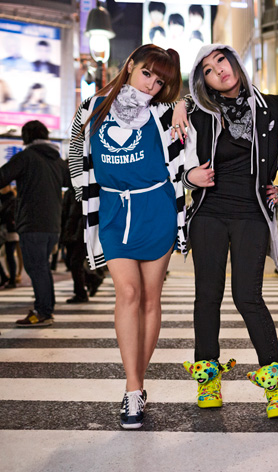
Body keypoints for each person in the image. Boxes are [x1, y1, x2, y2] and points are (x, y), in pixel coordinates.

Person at [170, 44, 278, 418]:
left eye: (221, 61)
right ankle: (208, 378)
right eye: (208, 70)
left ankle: (276, 383)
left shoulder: (275, 107)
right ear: (203, 82)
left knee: (248, 297)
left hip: (252, 214)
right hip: (208, 214)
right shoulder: (197, 112)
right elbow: (169, 159)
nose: (218, 71)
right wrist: (189, 177)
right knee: (207, 297)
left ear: (234, 62)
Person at [69, 44, 186, 429]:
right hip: (113, 210)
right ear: (131, 65)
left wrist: (182, 102)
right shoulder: (92, 107)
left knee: (151, 298)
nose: (152, 84)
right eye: (147, 73)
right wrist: (83, 196)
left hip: (156, 208)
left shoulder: (163, 111)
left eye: (160, 81)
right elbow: (75, 152)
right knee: (128, 293)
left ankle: (134, 386)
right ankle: (134, 386)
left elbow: (199, 116)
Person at [0, 120, 69, 326]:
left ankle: (43, 312)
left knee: (37, 268)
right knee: (42, 268)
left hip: (32, 223)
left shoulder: (26, 157)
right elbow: (69, 181)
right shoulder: (57, 160)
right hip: (52, 225)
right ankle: (45, 309)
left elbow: (2, 177)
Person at [60, 188, 104, 303]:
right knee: (72, 262)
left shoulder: (84, 191)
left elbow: (78, 214)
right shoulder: (71, 191)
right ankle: (93, 280)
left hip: (80, 233)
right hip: (72, 232)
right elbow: (66, 213)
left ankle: (81, 292)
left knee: (75, 262)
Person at [0, 185, 18, 288]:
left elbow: (10, 214)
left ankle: (12, 279)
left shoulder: (12, 199)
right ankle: (4, 277)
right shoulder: (2, 200)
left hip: (11, 230)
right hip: (3, 230)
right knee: (9, 255)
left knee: (10, 255)